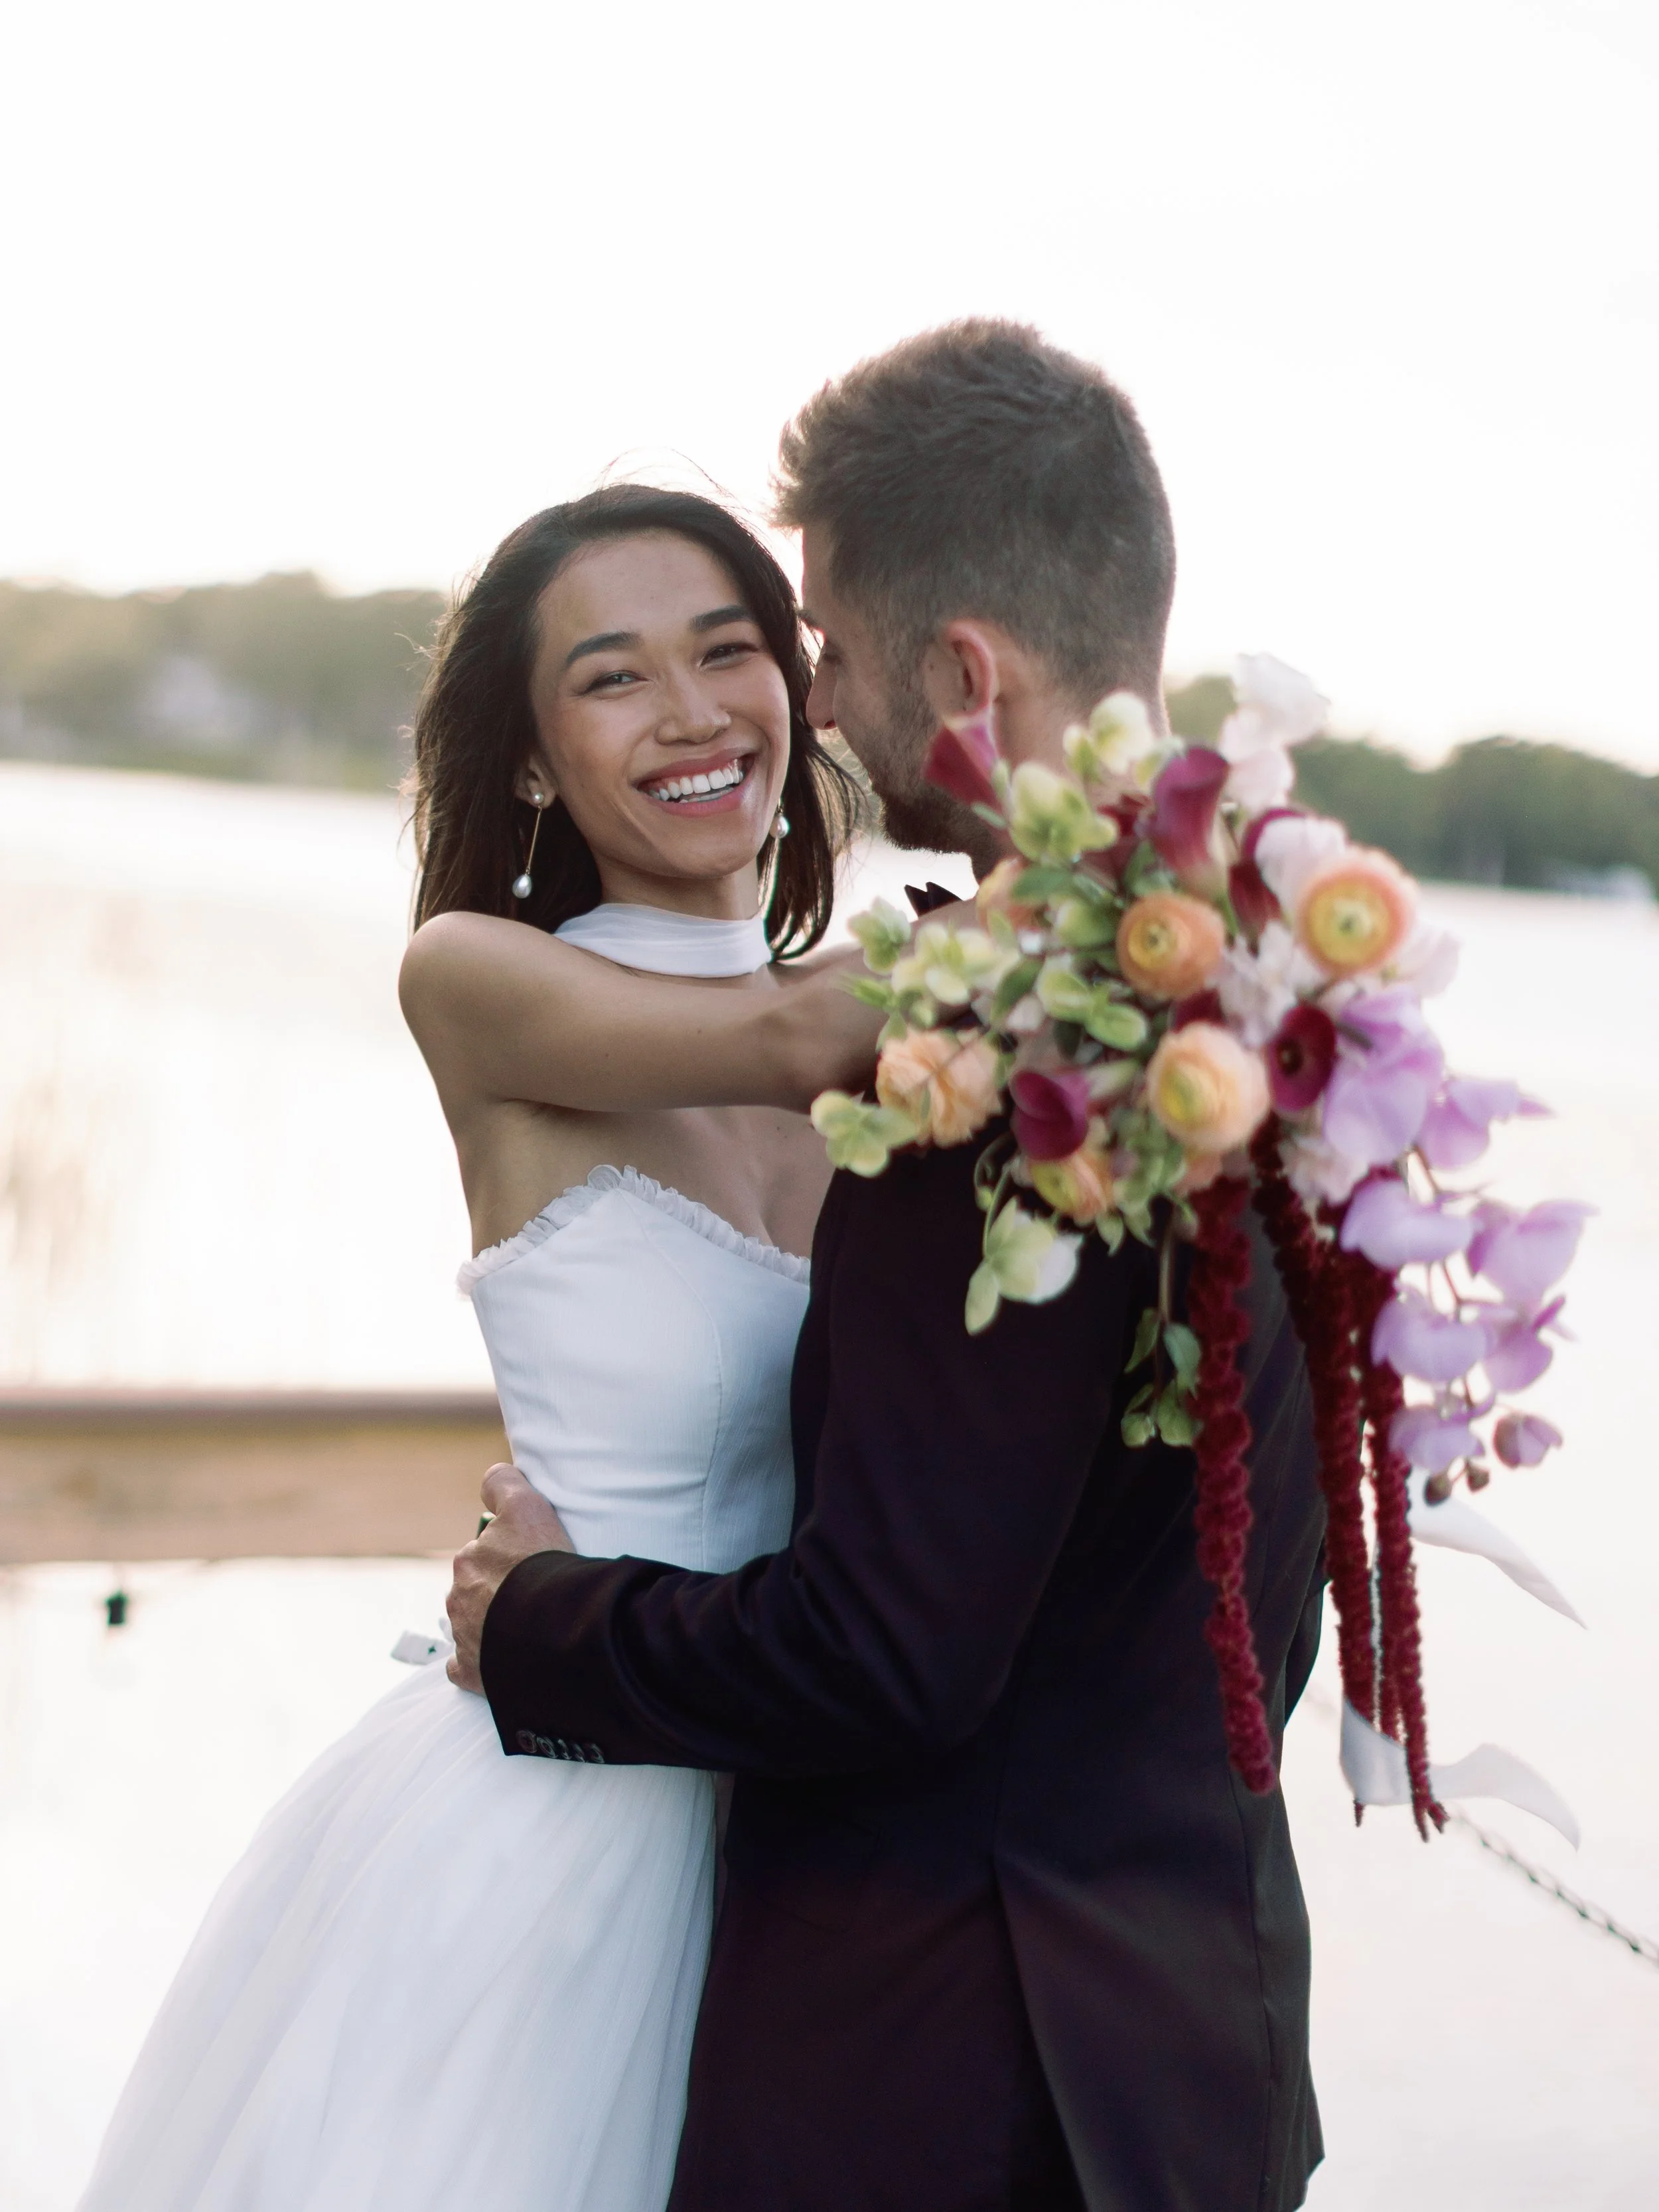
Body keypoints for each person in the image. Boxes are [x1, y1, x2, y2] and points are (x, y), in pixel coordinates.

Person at [447, 323, 1328, 2212]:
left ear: (959, 672)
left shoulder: (995, 1054)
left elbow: (886, 1655)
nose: (808, 700)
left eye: (807, 644)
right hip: (1190, 2053)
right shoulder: (1259, 1005)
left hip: (942, 2084)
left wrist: (535, 1620)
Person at [75, 484, 883, 2212]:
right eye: (610, 675)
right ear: (528, 760)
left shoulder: (886, 1064)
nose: (685, 709)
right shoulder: (484, 980)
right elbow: (795, 1021)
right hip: (550, 1832)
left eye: (727, 650)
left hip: (807, 1834)